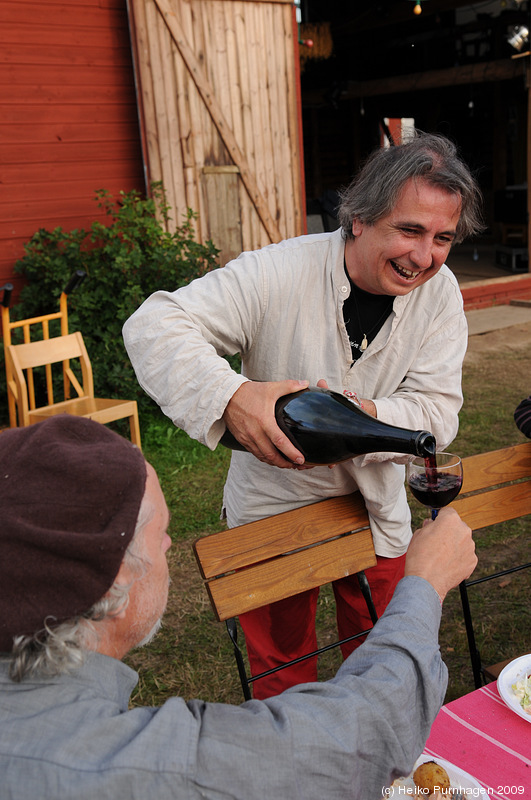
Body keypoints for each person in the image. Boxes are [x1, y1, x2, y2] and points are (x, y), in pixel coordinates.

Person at [123, 130, 484, 699]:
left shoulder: (439, 296)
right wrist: (231, 396)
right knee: (281, 667)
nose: (424, 257)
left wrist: (363, 415)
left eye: (442, 238)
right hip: (273, 513)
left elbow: (437, 412)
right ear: (360, 218)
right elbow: (152, 325)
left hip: (375, 511)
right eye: (410, 230)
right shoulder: (276, 272)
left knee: (384, 650)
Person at [0, 415, 477, 800]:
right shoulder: (136, 767)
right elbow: (358, 736)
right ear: (116, 577)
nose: (170, 547)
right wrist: (425, 586)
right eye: (164, 535)